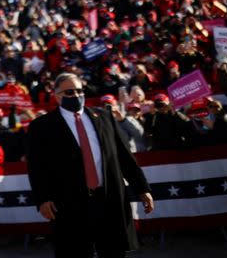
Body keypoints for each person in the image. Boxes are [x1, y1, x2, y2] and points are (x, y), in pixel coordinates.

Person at [26, 73, 154, 258]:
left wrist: (142, 188)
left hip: (109, 198)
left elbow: (124, 156)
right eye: (69, 92)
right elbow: (37, 167)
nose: (76, 96)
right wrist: (43, 199)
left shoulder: (103, 117)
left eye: (79, 91)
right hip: (69, 202)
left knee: (113, 251)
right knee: (75, 252)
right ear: (57, 96)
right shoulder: (41, 126)